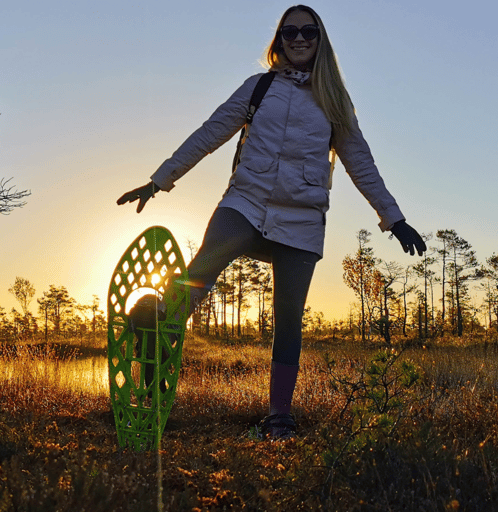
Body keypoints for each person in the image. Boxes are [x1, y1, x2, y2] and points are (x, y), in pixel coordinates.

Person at [117, 4, 426, 440]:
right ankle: (158, 325)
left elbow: (361, 162)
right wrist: (159, 180)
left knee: (288, 319)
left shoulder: (334, 100)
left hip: (301, 221)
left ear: (320, 41)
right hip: (246, 202)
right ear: (278, 39)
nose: (299, 38)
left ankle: (279, 415)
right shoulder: (259, 87)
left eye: (308, 31)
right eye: (289, 31)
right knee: (206, 263)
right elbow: (210, 133)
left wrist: (394, 219)